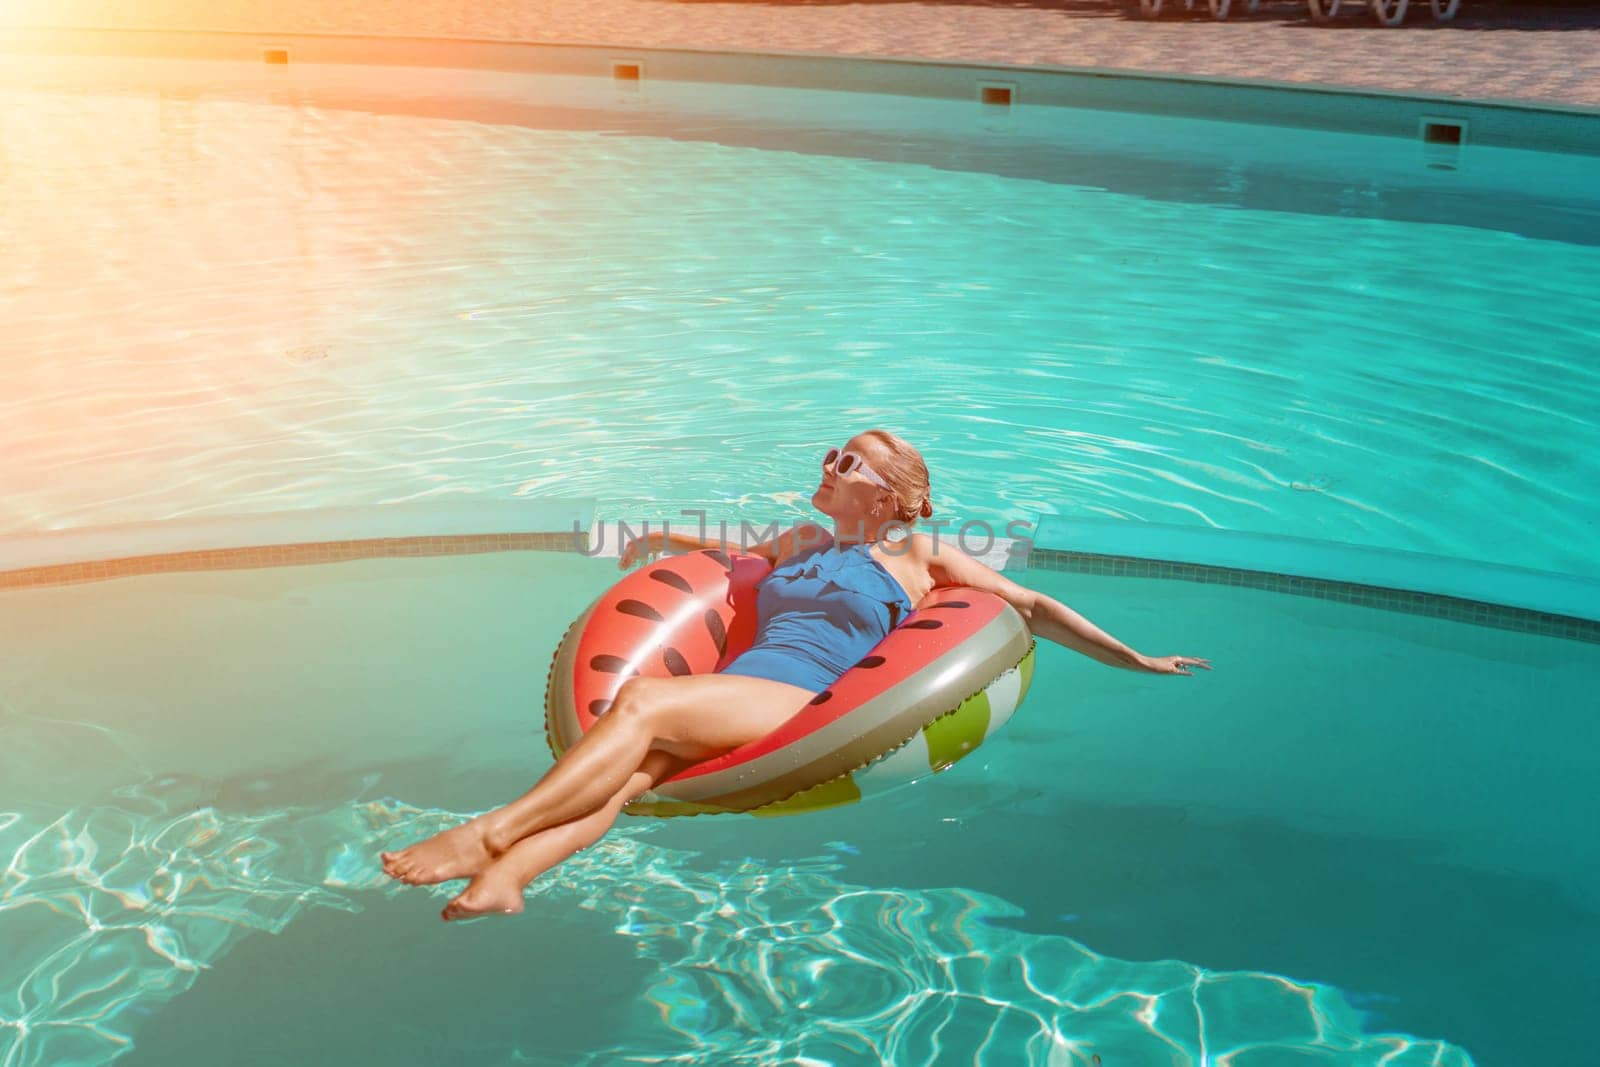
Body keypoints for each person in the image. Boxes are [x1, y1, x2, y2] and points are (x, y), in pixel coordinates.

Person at [380, 429, 1209, 920]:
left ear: (890, 496)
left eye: (849, 461)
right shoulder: (800, 541)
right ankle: (512, 877)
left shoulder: (919, 555)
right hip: (735, 688)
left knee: (642, 703)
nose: (830, 465)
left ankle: (490, 831)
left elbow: (1029, 604)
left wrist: (1135, 658)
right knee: (631, 775)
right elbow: (725, 552)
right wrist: (651, 537)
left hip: (797, 700)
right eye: (833, 453)